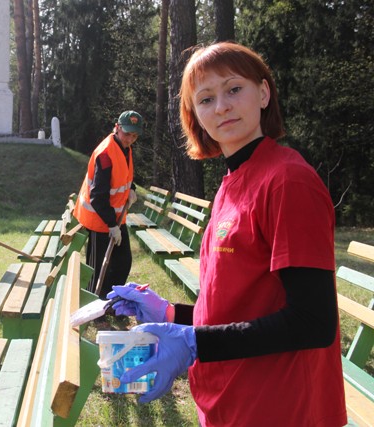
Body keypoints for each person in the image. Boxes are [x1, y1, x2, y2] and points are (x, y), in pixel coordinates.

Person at [108, 42, 347, 426]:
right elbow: (240, 309)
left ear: (263, 93)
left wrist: (193, 342)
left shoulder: (288, 181)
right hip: (228, 402)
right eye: (206, 99)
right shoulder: (232, 183)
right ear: (195, 116)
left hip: (280, 410)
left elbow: (312, 322)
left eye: (234, 89)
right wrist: (173, 314)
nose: (221, 106)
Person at [73, 111, 141, 300]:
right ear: (117, 128)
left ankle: (112, 301)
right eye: (127, 134)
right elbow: (97, 196)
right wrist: (111, 225)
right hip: (99, 219)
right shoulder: (105, 154)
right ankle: (93, 305)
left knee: (123, 262)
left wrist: (132, 189)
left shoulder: (125, 148)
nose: (130, 139)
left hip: (116, 218)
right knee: (97, 270)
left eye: (134, 136)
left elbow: (123, 175)